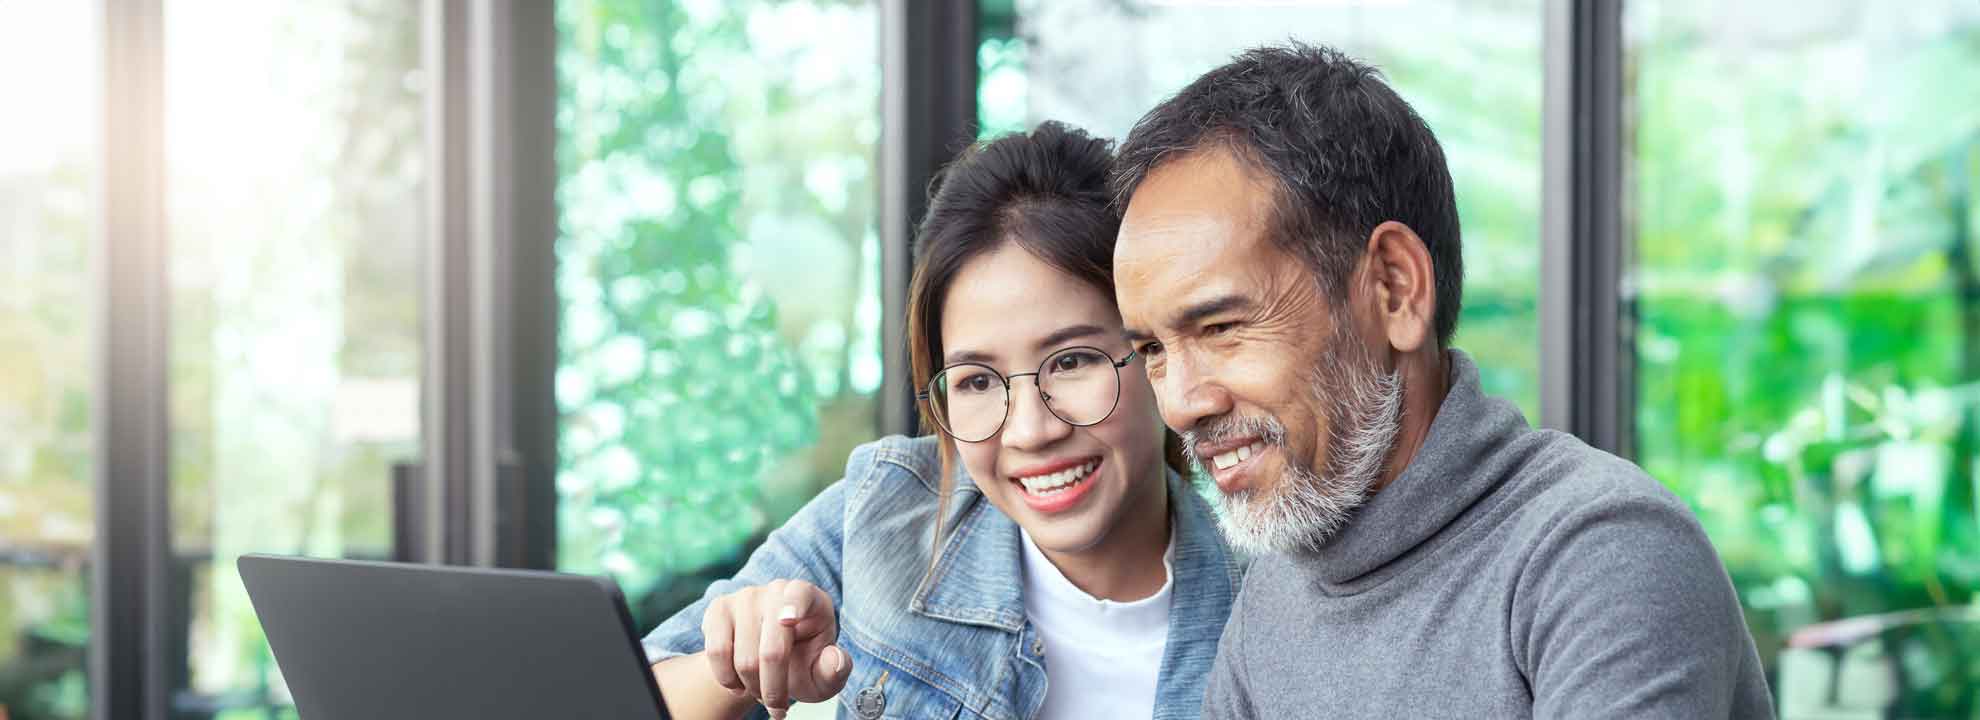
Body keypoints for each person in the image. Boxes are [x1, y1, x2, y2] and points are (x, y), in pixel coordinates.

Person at [1108, 43, 1774, 718]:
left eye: (1221, 327)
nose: (1183, 403)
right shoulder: (1269, 601)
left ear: (1395, 289)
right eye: (1151, 351)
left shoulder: (1602, 552)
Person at [643, 121, 1241, 720]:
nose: (1030, 431)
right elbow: (622, 692)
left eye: (1072, 362)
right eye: (977, 381)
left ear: (1155, 353)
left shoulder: (1266, 600)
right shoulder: (888, 509)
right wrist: (740, 668)